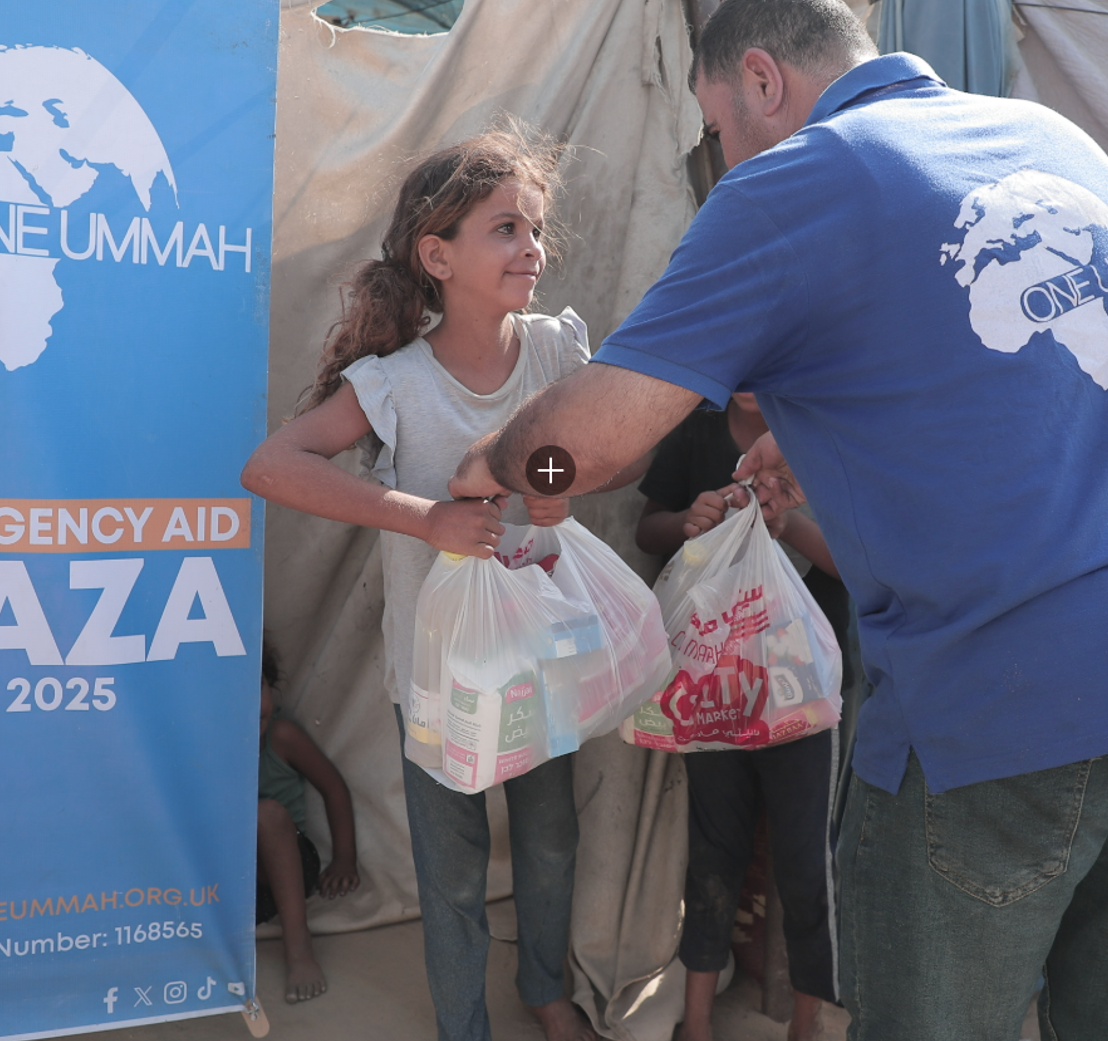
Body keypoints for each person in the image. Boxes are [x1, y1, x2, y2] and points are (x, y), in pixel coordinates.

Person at [451, 0, 1108, 1040]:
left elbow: (592, 449)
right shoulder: (1049, 138)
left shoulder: (794, 182)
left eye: (717, 130)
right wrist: (819, 437)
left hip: (1015, 689)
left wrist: (512, 472)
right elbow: (1026, 383)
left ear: (761, 78)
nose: (724, 161)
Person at [242, 131, 632, 1041]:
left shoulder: (554, 352)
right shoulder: (395, 385)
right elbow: (271, 465)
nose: (532, 248)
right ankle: (465, 1024)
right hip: (439, 675)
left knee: (548, 840)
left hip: (543, 657)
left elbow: (618, 453)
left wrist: (555, 479)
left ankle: (545, 988)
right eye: (505, 229)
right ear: (437, 254)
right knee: (451, 867)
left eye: (536, 228)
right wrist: (424, 518)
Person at [635, 393, 852, 1041]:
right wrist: (691, 521)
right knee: (713, 853)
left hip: (805, 700)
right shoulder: (696, 436)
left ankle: (806, 1022)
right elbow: (648, 529)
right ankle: (695, 1020)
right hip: (717, 693)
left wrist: (787, 524)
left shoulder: (830, 432)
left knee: (807, 866)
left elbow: (859, 564)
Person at [256, 645, 359, 1004]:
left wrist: (345, 857)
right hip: (240, 883)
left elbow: (334, 789)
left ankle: (299, 949)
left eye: (260, 688)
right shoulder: (202, 749)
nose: (254, 706)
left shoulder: (281, 736)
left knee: (265, 814)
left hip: (291, 865)